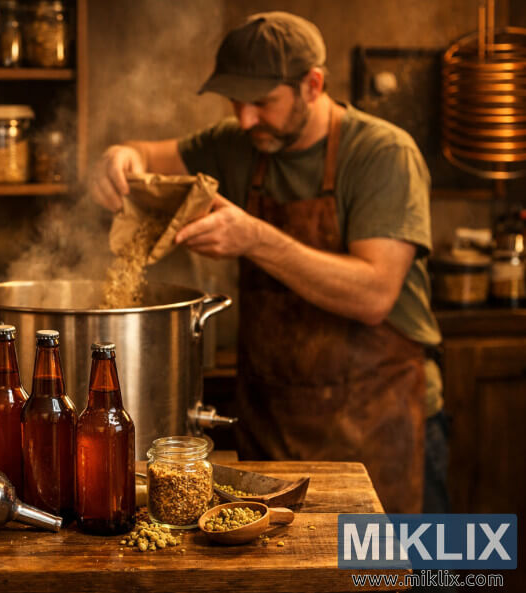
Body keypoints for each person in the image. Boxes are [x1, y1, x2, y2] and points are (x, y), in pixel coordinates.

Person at [88, 11, 447, 514]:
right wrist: (119, 157)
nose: (245, 118)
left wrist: (255, 238)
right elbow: (147, 154)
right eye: (235, 101)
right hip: (271, 426)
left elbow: (373, 295)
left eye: (262, 102)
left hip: (380, 423)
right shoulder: (239, 143)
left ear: (312, 85)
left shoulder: (383, 154)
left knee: (394, 577)